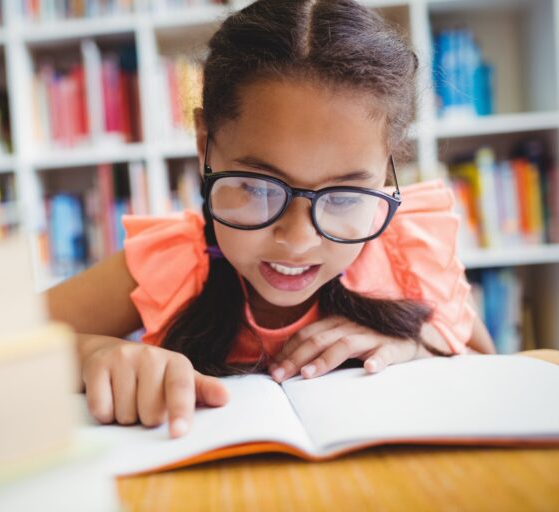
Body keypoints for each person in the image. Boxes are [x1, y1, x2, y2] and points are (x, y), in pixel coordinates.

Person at [47, 0, 495, 439]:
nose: (298, 240)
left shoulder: (405, 252)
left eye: (343, 197)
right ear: (206, 142)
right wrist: (94, 353)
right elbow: (2, 347)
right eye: (260, 189)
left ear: (387, 168)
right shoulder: (173, 262)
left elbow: (486, 361)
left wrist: (414, 347)